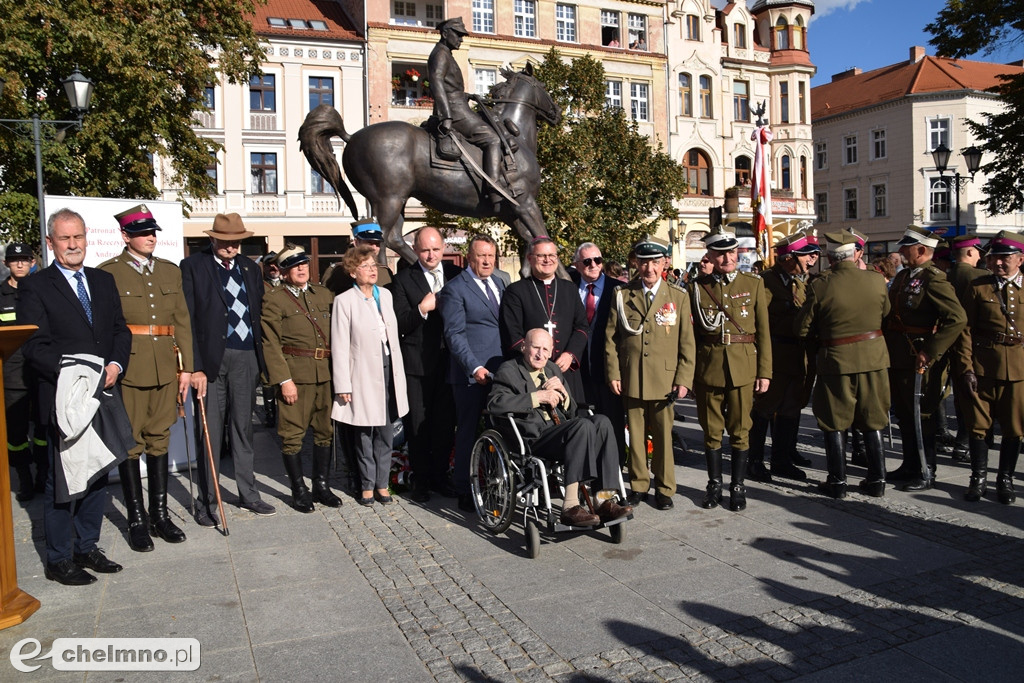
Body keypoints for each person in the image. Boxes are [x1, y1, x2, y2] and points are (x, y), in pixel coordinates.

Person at [18, 208, 131, 585]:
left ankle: (87, 547)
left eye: (78, 237)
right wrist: (77, 372)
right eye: (64, 238)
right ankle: (59, 559)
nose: (72, 245)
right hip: (64, 397)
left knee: (97, 473)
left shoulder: (102, 280)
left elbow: (119, 330)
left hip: (103, 393)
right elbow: (35, 346)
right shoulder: (36, 286)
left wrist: (114, 364)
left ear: (86, 239)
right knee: (61, 481)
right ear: (50, 244)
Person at [98, 204, 194, 551]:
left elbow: (181, 322)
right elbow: (107, 328)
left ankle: (160, 515)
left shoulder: (170, 271)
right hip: (131, 368)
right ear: (125, 236)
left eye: (152, 231)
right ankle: (137, 520)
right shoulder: (108, 273)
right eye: (141, 233)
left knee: (160, 440)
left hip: (166, 369)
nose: (149, 237)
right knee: (130, 444)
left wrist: (186, 368)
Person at [181, 213, 276, 526]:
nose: (230, 247)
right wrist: (194, 366)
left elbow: (258, 311)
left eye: (235, 241)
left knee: (242, 429)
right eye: (224, 241)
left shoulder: (250, 267)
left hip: (246, 356)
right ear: (212, 239)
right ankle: (207, 499)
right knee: (209, 429)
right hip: (210, 361)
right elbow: (188, 320)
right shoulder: (193, 266)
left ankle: (248, 494)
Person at [488, 328, 632, 526]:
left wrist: (564, 394)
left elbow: (572, 411)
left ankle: (603, 500)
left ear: (551, 351)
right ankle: (570, 506)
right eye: (535, 347)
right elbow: (495, 403)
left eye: (545, 349)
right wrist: (536, 397)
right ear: (524, 347)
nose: (540, 354)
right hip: (535, 437)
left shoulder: (552, 370)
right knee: (582, 426)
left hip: (563, 431)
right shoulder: (509, 371)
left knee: (602, 422)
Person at [796, 232, 892, 498]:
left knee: (834, 420)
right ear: (855, 254)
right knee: (873, 418)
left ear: (829, 257)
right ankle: (877, 480)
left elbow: (802, 328)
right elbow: (885, 314)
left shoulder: (821, 284)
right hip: (874, 359)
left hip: (836, 360)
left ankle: (837, 481)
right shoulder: (876, 280)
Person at [606, 237, 695, 510]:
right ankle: (639, 484)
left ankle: (665, 488)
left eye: (655, 262)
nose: (649, 269)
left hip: (664, 379)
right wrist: (613, 373)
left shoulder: (678, 296)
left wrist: (683, 379)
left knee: (663, 435)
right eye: (643, 262)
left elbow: (687, 342)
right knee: (635, 434)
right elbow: (611, 337)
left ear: (664, 263)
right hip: (631, 376)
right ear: (636, 263)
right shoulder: (622, 295)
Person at [689, 227, 771, 511]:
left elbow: (763, 332)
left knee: (740, 430)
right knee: (711, 431)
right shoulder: (697, 287)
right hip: (709, 366)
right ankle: (714, 485)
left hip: (743, 366)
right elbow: (690, 336)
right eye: (721, 253)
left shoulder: (754, 283)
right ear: (709, 255)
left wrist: (765, 372)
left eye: (732, 252)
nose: (727, 258)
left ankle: (737, 485)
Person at [883, 225, 966, 491]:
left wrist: (930, 351)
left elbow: (957, 318)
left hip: (920, 357)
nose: (900, 251)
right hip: (898, 355)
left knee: (923, 416)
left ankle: (926, 469)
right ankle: (909, 465)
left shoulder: (934, 278)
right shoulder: (904, 275)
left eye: (905, 247)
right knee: (906, 415)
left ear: (921, 250)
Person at [261, 245, 341, 512]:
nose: (302, 268)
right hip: (296, 375)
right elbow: (270, 343)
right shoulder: (275, 299)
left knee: (325, 433)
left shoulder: (323, 294)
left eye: (304, 263)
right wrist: (283, 380)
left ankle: (321, 486)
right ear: (283, 272)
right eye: (295, 265)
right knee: (292, 435)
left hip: (326, 374)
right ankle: (299, 490)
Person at [388, 227, 461, 502]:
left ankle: (441, 476)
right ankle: (421, 479)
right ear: (416, 250)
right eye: (425, 250)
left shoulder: (455, 275)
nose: (431, 254)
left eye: (435, 249)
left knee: (445, 423)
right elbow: (399, 322)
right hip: (417, 364)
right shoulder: (404, 279)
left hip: (450, 362)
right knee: (418, 424)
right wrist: (422, 309)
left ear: (443, 248)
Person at [331, 245, 409, 506]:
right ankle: (366, 484)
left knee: (386, 430)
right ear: (353, 272)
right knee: (364, 431)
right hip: (361, 374)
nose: (372, 270)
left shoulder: (385, 295)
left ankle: (382, 483)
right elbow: (340, 345)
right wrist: (343, 383)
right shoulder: (344, 301)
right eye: (365, 266)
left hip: (388, 369)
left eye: (374, 265)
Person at [438, 234, 507, 512]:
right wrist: (474, 367)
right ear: (470, 257)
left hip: (500, 372)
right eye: (481, 256)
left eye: (491, 256)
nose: (487, 261)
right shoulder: (456, 288)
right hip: (471, 375)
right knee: (467, 431)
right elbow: (454, 335)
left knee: (502, 429)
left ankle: (498, 481)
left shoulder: (500, 283)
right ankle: (464, 488)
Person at [956, 230, 1024, 504]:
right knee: (978, 425)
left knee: (1014, 427)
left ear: (1020, 259)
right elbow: (965, 330)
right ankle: (978, 477)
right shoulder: (978, 287)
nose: (997, 262)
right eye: (993, 256)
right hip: (983, 366)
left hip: (1019, 368)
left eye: (1004, 258)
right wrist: (966, 367)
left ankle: (1004, 479)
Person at [749, 232, 819, 483]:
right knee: (765, 408)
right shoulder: (766, 282)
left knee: (790, 408)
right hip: (777, 354)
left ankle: (781, 459)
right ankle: (755, 460)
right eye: (804, 257)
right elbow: (760, 320)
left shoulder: (797, 281)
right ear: (790, 258)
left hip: (797, 355)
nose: (809, 261)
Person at [500, 237, 589, 402]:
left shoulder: (569, 289)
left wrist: (570, 354)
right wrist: (539, 361)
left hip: (566, 371)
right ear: (530, 259)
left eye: (552, 255)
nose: (547, 260)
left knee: (573, 420)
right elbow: (512, 334)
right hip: (531, 372)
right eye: (541, 256)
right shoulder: (516, 291)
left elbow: (582, 327)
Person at [428, 17, 504, 209]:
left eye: (462, 36)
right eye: (458, 35)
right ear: (445, 34)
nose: (461, 39)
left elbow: (448, 85)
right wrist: (446, 115)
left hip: (458, 105)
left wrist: (466, 95)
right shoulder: (441, 54)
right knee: (493, 139)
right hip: (455, 111)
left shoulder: (445, 54)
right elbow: (436, 83)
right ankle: (494, 188)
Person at [571, 242, 627, 463]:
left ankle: (616, 473)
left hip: (610, 373)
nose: (593, 265)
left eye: (598, 260)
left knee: (613, 423)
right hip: (579, 372)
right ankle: (587, 471)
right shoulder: (568, 288)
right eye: (587, 261)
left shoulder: (619, 289)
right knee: (582, 424)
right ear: (577, 265)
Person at [1, 242, 47, 502]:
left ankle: (43, 472)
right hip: (13, 377)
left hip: (40, 374)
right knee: (16, 435)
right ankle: (24, 476)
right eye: (14, 259)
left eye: (25, 259)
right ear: (7, 263)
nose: (20, 263)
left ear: (32, 262)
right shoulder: (0, 295)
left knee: (42, 431)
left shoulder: (41, 291)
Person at [946, 233, 990, 461]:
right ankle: (966, 442)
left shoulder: (945, 275)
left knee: (954, 395)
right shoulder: (980, 277)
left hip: (947, 345)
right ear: (971, 252)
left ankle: (958, 442)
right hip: (975, 346)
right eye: (978, 252)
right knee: (974, 396)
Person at [322, 219, 394, 295]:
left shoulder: (385, 272)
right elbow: (325, 301)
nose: (374, 247)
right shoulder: (337, 272)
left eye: (377, 244)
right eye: (369, 243)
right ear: (356, 243)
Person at [259, 250, 280, 428]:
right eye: (269, 265)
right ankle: (270, 413)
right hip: (266, 337)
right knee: (267, 379)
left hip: (285, 338)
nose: (273, 268)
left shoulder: (287, 285)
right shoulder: (260, 286)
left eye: (276, 264)